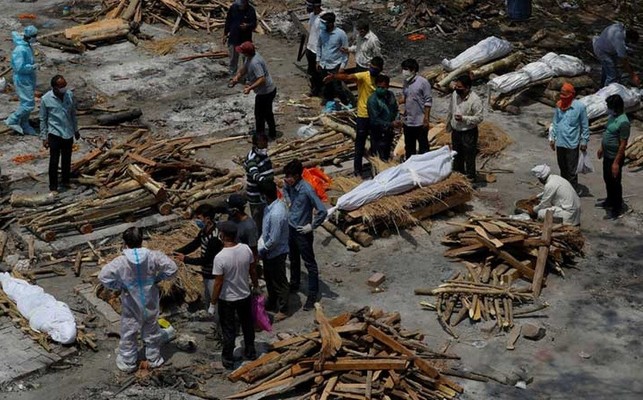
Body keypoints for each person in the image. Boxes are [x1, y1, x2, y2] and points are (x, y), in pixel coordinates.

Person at [98, 227, 178, 373]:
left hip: (131, 302)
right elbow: (172, 269)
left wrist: (120, 286)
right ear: (142, 240)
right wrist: (158, 278)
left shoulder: (120, 261)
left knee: (129, 332)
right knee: (152, 330)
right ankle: (154, 359)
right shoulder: (154, 256)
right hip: (150, 300)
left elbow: (103, 277)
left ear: (124, 242)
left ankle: (128, 363)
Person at [324, 57, 384, 176]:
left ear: (380, 70)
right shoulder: (364, 76)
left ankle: (376, 168)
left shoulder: (381, 81)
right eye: (371, 67)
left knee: (375, 144)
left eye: (375, 69)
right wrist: (334, 77)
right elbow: (347, 77)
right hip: (363, 115)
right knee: (360, 144)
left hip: (376, 117)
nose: (372, 70)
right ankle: (358, 171)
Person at [210, 221, 258, 369]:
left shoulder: (220, 257)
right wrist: (255, 285)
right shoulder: (245, 249)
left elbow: (218, 283)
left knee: (229, 330)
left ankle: (228, 359)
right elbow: (252, 270)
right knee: (247, 325)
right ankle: (250, 351)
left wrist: (212, 303)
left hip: (228, 299)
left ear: (222, 235)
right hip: (244, 294)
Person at [283, 159, 327, 311]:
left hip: (303, 232)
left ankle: (312, 294)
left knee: (309, 264)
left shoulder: (307, 189)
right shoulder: (289, 184)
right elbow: (284, 190)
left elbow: (322, 210)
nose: (286, 179)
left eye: (288, 176)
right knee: (293, 258)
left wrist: (312, 226)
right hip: (291, 228)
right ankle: (294, 284)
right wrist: (288, 201)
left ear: (296, 176)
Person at [174, 204, 225, 306]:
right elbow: (194, 244)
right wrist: (177, 252)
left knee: (214, 304)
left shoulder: (214, 237)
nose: (197, 221)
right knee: (208, 300)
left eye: (199, 218)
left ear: (207, 219)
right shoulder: (203, 232)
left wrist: (186, 259)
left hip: (213, 275)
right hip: (206, 273)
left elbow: (206, 260)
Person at [40, 75, 80, 193]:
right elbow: (43, 119)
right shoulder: (46, 99)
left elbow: (73, 114)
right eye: (61, 86)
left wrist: (76, 130)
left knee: (66, 159)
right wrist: (44, 137)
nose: (64, 88)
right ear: (55, 88)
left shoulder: (69, 96)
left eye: (65, 85)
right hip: (54, 134)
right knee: (54, 161)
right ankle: (53, 187)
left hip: (68, 133)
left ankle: (65, 181)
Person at [231, 42, 278, 140]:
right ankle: (271, 133)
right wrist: (237, 76)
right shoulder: (250, 57)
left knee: (260, 114)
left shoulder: (255, 62)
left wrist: (250, 88)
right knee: (267, 112)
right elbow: (244, 68)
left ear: (246, 53)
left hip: (266, 92)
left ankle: (261, 136)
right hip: (265, 91)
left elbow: (261, 79)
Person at [548, 82, 589, 192]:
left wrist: (584, 141)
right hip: (560, 142)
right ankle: (564, 190)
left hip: (572, 143)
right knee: (563, 168)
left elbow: (585, 125)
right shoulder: (559, 105)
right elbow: (555, 122)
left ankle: (573, 192)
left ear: (571, 95)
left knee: (572, 170)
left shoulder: (579, 107)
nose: (562, 97)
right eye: (561, 94)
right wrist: (552, 138)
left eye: (565, 95)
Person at [257, 180, 290, 321]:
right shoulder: (269, 207)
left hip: (276, 252)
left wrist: (262, 250)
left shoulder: (276, 213)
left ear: (265, 195)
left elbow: (274, 239)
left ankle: (284, 308)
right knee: (269, 278)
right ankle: (272, 301)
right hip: (269, 251)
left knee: (279, 280)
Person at [597, 94, 630, 219]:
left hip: (615, 157)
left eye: (610, 107)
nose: (608, 109)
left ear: (616, 107)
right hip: (607, 155)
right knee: (607, 178)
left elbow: (623, 145)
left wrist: (616, 162)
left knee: (615, 182)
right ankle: (609, 200)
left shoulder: (624, 122)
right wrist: (601, 147)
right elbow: (607, 132)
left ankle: (617, 207)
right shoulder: (612, 117)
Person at [447, 74, 484, 182]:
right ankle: (458, 175)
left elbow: (479, 118)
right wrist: (449, 125)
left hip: (468, 132)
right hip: (456, 130)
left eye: (460, 87)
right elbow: (451, 109)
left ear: (467, 88)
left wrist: (464, 118)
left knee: (469, 155)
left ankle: (470, 177)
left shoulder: (475, 100)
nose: (456, 89)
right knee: (456, 153)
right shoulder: (454, 94)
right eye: (456, 86)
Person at [5, 26, 38, 135]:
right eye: (35, 36)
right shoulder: (20, 50)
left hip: (28, 77)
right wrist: (32, 67)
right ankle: (12, 119)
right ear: (30, 37)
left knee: (26, 101)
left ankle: (24, 123)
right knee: (28, 104)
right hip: (22, 78)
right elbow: (19, 68)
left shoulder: (27, 45)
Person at [316, 12, 353, 107]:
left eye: (324, 23)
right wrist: (318, 60)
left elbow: (345, 51)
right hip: (324, 64)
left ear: (331, 23)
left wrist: (342, 66)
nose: (322, 25)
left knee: (337, 87)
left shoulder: (341, 34)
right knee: (327, 85)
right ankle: (329, 101)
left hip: (335, 65)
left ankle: (346, 103)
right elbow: (319, 46)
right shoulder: (322, 33)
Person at [400, 58, 432, 160]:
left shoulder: (423, 82)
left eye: (406, 69)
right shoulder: (406, 82)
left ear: (413, 70)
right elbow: (406, 97)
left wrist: (426, 118)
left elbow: (428, 101)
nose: (404, 72)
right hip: (408, 121)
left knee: (423, 147)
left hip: (420, 121)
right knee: (409, 147)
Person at [244, 131, 274, 234]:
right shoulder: (252, 159)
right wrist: (265, 183)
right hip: (257, 196)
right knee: (259, 222)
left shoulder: (263, 154)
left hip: (265, 194)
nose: (265, 146)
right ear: (255, 144)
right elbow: (255, 175)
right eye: (262, 144)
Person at [593, 22, 640, 87]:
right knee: (612, 75)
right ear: (628, 39)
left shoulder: (620, 27)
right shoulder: (619, 41)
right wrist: (632, 75)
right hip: (602, 51)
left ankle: (602, 87)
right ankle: (607, 93)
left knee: (607, 70)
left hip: (605, 45)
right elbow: (624, 60)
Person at [367, 74, 400, 161]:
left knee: (386, 152)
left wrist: (397, 119)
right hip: (377, 132)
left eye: (383, 87)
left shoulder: (390, 95)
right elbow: (374, 119)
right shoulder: (372, 100)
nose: (381, 89)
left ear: (388, 86)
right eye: (379, 87)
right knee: (377, 155)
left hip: (388, 131)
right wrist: (390, 124)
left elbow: (395, 108)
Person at [223, 0, 257, 76]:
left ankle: (247, 75)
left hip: (245, 38)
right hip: (233, 37)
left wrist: (247, 26)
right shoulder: (233, 8)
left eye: (242, 4)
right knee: (233, 57)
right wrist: (225, 34)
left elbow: (254, 24)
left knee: (246, 59)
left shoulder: (251, 10)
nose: (240, 6)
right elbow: (228, 21)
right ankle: (232, 73)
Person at [226, 194, 259, 268]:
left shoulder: (249, 227)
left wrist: (253, 268)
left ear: (235, 210)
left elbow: (253, 249)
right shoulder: (231, 218)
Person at [305, 0, 323, 97]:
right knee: (311, 71)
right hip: (310, 48)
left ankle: (318, 90)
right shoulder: (312, 15)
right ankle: (314, 89)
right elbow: (311, 30)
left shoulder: (323, 18)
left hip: (317, 50)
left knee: (318, 73)